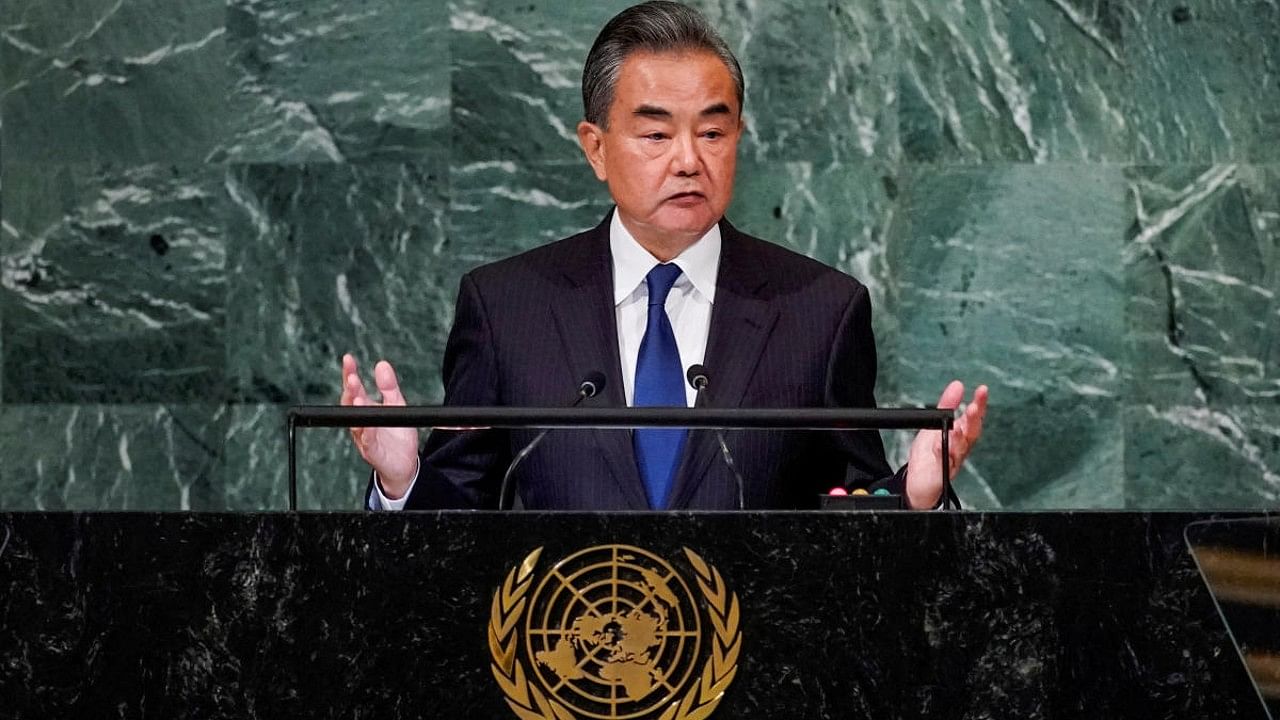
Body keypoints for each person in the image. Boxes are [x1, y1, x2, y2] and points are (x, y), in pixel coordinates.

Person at [340, 1, 987, 511]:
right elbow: (457, 523)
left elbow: (850, 510)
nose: (688, 160)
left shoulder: (819, 310)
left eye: (712, 132)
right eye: (655, 133)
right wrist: (404, 484)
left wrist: (914, 498)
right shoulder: (509, 307)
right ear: (595, 147)